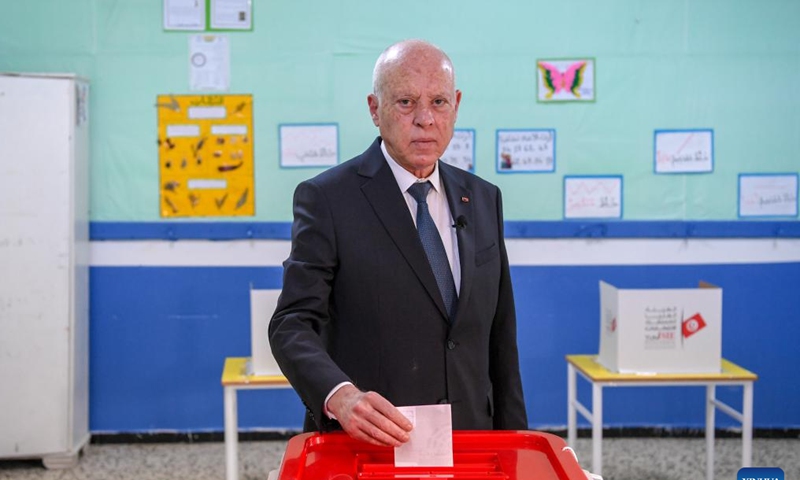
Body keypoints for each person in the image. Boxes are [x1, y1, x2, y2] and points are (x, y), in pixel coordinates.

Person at [268, 39, 527, 447]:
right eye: (406, 102)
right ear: (375, 108)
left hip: (473, 440)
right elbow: (291, 324)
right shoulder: (329, 199)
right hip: (375, 442)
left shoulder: (481, 198)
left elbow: (500, 336)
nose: (425, 119)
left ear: (456, 104)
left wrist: (516, 443)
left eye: (439, 102)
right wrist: (341, 396)